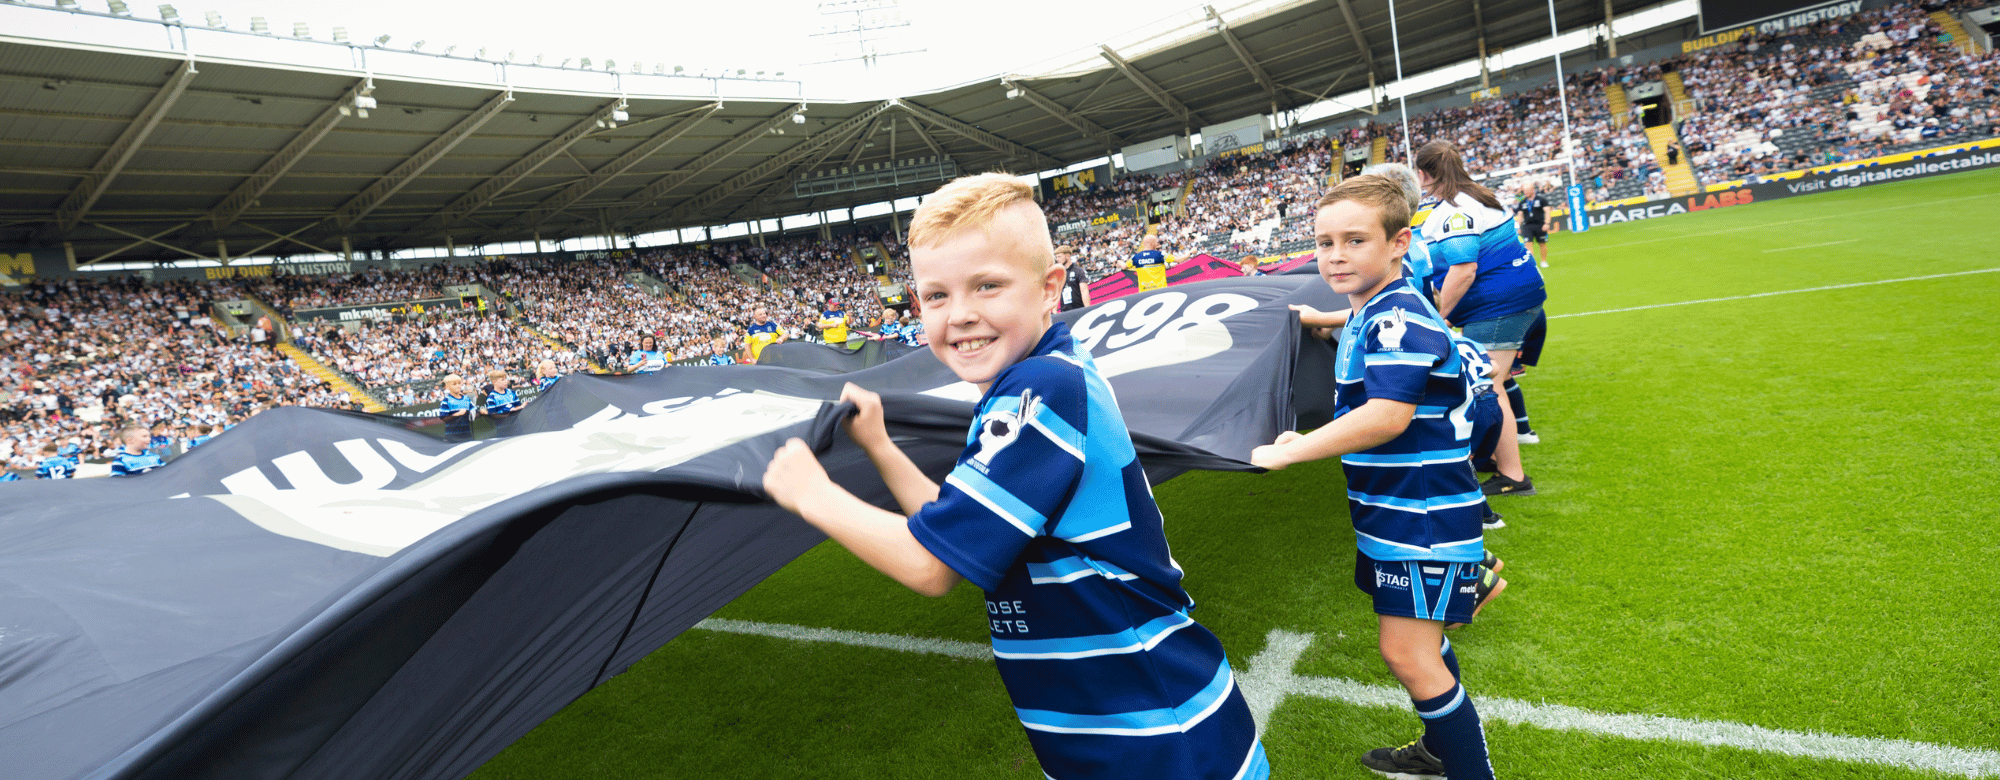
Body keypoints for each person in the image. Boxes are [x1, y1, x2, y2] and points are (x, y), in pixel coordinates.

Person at [763, 173, 1269, 780]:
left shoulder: (1043, 390)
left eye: (988, 286)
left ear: (1050, 286)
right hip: (1114, 728)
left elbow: (931, 568)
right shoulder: (1031, 382)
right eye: (936, 296)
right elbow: (954, 532)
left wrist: (810, 493)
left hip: (1159, 734)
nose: (961, 315)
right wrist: (879, 445)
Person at [1250, 175, 1500, 780]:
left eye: (1355, 240)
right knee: (1426, 644)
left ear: (1398, 242)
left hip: (1422, 517)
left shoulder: (1396, 318)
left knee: (1407, 653)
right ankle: (1442, 750)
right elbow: (1371, 326)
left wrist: (1296, 450)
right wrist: (1321, 316)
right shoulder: (1381, 306)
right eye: (1324, 241)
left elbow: (1388, 416)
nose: (1335, 254)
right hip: (1397, 511)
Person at [1415, 141, 1544, 497]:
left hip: (1498, 303)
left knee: (1491, 384)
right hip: (1519, 294)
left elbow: (1464, 269)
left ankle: (1513, 476)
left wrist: (1441, 316)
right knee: (1492, 381)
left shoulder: (1454, 210)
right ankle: (1495, 453)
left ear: (1424, 174)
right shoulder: (1479, 196)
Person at [1516, 183, 1551, 269]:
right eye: (1524, 191)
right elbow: (1520, 215)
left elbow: (1547, 211)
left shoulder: (1541, 199)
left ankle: (1544, 261)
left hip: (1540, 225)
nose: (1526, 193)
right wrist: (1517, 227)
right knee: (1528, 244)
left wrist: (1547, 223)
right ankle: (1533, 263)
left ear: (1533, 190)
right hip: (1527, 226)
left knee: (1542, 243)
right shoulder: (1522, 202)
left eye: (1527, 191)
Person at [437, 374, 476, 442]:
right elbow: (444, 418)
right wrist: (458, 414)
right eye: (454, 384)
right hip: (452, 437)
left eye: (459, 383)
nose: (458, 386)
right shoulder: (446, 401)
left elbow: (474, 411)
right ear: (447, 387)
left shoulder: (466, 399)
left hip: (467, 436)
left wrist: (475, 412)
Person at [1054, 244, 1092, 311]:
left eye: (1059, 257)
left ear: (1067, 256)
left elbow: (1084, 291)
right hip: (1065, 312)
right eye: (1056, 257)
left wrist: (1087, 309)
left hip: (1079, 310)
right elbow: (1056, 294)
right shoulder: (1058, 274)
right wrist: (1054, 311)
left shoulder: (1079, 271)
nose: (1057, 259)